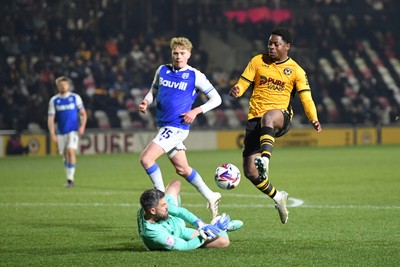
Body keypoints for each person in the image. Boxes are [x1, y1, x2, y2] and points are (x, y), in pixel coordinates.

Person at [230, 27, 322, 224]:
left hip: (280, 116)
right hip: (255, 120)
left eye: (276, 44)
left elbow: (306, 98)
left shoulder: (296, 70)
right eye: (269, 43)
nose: (271, 47)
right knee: (250, 172)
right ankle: (278, 197)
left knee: (269, 117)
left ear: (287, 46)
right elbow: (244, 82)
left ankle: (266, 159)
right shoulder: (257, 61)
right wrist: (238, 89)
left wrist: (313, 117)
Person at [139, 37, 223, 218]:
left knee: (146, 159)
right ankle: (211, 195)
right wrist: (147, 101)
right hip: (163, 126)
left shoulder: (195, 75)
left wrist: (196, 111)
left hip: (176, 127)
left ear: (189, 55)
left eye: (182, 53)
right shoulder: (162, 70)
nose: (178, 57)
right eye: (175, 53)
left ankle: (160, 199)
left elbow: (217, 99)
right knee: (183, 169)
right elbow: (153, 91)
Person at [137, 179, 243, 251]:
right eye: (164, 205)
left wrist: (199, 224)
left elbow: (179, 212)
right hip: (179, 234)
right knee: (224, 242)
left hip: (173, 222)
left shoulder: (147, 208)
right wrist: (205, 234)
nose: (167, 207)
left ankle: (212, 227)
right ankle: (219, 228)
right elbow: (184, 246)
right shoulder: (155, 234)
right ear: (152, 211)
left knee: (176, 183)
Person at [48, 76, 87, 188]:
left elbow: (83, 113)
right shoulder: (54, 100)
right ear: (57, 86)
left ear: (68, 86)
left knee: (70, 151)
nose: (63, 86)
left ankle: (70, 179)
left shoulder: (75, 98)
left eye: (64, 84)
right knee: (65, 155)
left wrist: (82, 126)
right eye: (60, 85)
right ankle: (69, 176)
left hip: (73, 131)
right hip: (61, 132)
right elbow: (51, 118)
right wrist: (52, 133)